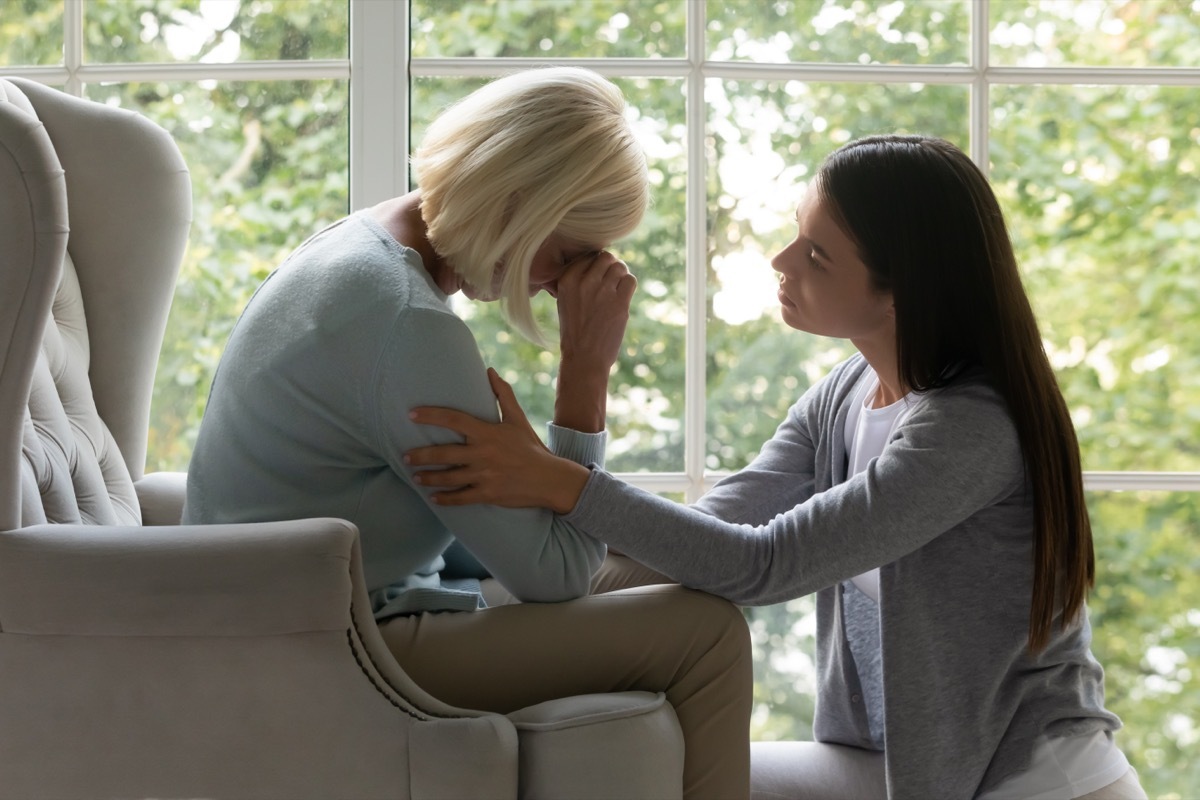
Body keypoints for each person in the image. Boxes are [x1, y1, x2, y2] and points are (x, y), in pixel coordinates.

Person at [404, 134, 1148, 800]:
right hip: (901, 769)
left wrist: (561, 481)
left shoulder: (970, 431)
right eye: (798, 234)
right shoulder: (846, 394)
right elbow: (707, 531)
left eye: (817, 254)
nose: (781, 260)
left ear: (901, 292)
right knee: (670, 778)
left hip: (1033, 778)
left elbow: (765, 565)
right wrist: (484, 590)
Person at [182, 66, 751, 799]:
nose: (561, 282)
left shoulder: (360, 246)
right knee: (707, 633)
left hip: (319, 611)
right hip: (334, 644)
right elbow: (557, 575)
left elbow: (528, 546)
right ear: (519, 201)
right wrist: (586, 369)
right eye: (571, 253)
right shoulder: (407, 323)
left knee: (667, 569)